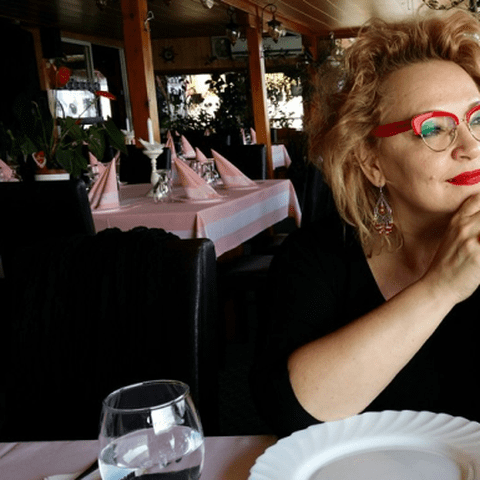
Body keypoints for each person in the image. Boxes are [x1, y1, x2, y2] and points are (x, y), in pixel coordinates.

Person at [250, 9, 480, 438]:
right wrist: (442, 287)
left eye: (477, 118)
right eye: (433, 128)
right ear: (373, 163)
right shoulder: (316, 257)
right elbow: (290, 413)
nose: (470, 146)